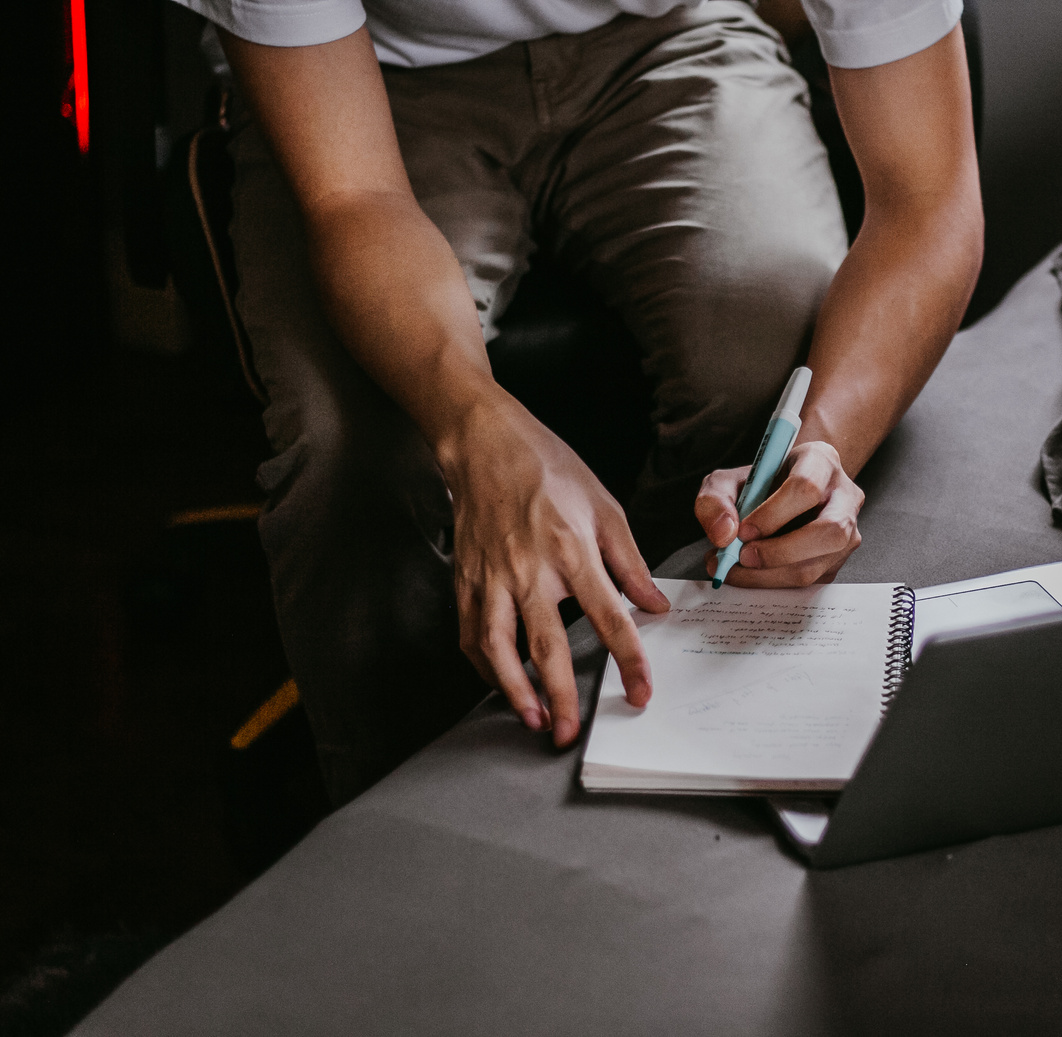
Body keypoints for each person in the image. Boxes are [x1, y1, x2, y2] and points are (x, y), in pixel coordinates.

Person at [182, 0, 983, 804]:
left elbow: (928, 199)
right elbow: (354, 197)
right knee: (357, 450)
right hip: (374, 76)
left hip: (665, 38)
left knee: (765, 377)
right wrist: (472, 423)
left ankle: (657, 745)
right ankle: (406, 823)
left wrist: (822, 443)